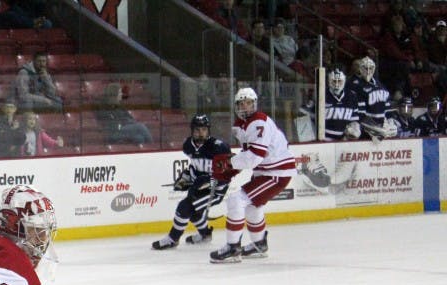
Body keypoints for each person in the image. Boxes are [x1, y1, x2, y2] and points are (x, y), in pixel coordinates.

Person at [209, 87, 296, 263]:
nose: (245, 107)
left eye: (248, 103)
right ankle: (259, 245)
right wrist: (234, 166)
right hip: (267, 171)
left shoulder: (259, 123)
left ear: (254, 104)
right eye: (241, 103)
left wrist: (229, 163)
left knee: (236, 200)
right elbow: (249, 153)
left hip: (276, 172)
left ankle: (233, 248)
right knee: (252, 206)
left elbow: (255, 158)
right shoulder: (241, 125)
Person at [152, 114, 231, 250]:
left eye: (204, 130)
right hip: (199, 188)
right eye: (197, 130)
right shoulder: (189, 145)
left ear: (209, 130)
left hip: (215, 190)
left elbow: (226, 175)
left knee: (184, 207)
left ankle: (173, 239)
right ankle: (205, 234)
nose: (201, 134)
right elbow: (194, 166)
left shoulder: (219, 147)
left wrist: (206, 181)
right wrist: (186, 177)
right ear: (192, 131)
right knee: (194, 212)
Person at [298, 68, 363, 142]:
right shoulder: (320, 94)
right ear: (329, 81)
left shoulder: (351, 96)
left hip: (342, 141)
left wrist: (353, 131)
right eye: (334, 81)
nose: (337, 85)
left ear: (344, 80)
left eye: (340, 81)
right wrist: (309, 141)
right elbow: (302, 115)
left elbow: (354, 121)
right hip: (322, 141)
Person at [348, 56, 395, 140]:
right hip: (365, 130)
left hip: (381, 127)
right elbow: (360, 114)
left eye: (370, 68)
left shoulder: (378, 83)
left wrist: (390, 122)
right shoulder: (354, 85)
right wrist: (375, 129)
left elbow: (387, 107)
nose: (368, 70)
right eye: (365, 68)